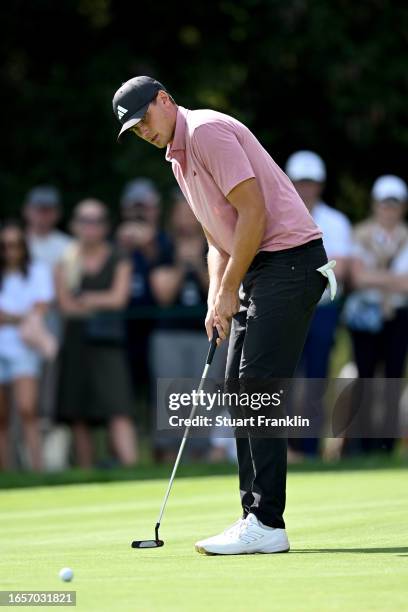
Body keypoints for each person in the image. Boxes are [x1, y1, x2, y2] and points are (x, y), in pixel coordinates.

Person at [112, 76, 331, 555]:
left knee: (257, 385)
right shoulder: (177, 157)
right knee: (237, 385)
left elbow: (252, 212)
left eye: (144, 119)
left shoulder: (207, 132)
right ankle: (254, 516)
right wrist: (218, 295)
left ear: (165, 101)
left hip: (290, 260)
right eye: (135, 129)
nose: (144, 132)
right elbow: (218, 235)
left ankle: (267, 522)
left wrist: (231, 286)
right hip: (258, 268)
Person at [55, 199, 138, 468]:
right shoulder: (65, 260)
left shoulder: (118, 256)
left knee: (119, 407)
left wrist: (86, 299)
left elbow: (119, 299)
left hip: (109, 342)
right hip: (75, 342)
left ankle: (133, 469)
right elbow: (65, 306)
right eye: (85, 220)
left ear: (106, 225)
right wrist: (99, 302)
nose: (91, 227)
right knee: (77, 412)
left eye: (97, 220)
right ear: (75, 224)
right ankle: (87, 473)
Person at [285, 151, 352, 458]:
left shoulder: (336, 222)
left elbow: (340, 269)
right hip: (286, 309)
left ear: (320, 185)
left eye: (310, 183)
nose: (305, 188)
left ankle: (309, 449)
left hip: (322, 310)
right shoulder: (278, 215)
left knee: (315, 379)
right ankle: (284, 449)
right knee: (283, 378)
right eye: (300, 182)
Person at [344, 175, 408, 453]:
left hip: (399, 315)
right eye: (384, 204)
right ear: (375, 205)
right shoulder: (360, 233)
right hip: (365, 316)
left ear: (402, 207)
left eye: (394, 204)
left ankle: (387, 444)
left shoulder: (406, 236)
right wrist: (392, 279)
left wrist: (375, 276)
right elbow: (357, 279)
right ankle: (363, 443)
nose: (388, 210)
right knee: (365, 377)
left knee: (393, 377)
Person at [0, 221, 54, 470]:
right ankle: (8, 473)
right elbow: (29, 310)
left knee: (27, 410)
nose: (10, 250)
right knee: (2, 418)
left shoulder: (37, 270)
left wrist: (9, 317)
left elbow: (40, 307)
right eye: (5, 245)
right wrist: (21, 315)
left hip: (24, 348)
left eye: (15, 245)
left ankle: (37, 469)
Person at [116, 178, 172, 391]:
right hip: (123, 325)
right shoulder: (114, 242)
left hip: (158, 325)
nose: (139, 214)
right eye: (134, 207)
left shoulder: (167, 241)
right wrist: (121, 246)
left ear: (156, 209)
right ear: (124, 209)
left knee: (159, 386)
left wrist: (150, 247)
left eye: (145, 207)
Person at [24, 185, 72, 269]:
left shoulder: (68, 246)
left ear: (58, 213)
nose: (43, 215)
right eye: (39, 209)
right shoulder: (13, 242)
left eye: (48, 210)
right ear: (26, 211)